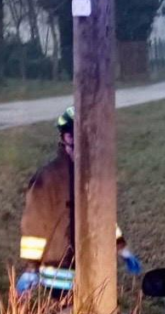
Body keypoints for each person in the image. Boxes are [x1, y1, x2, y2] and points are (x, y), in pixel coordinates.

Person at [16, 106, 142, 295]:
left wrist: (121, 248)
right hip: (58, 276)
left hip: (92, 272)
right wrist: (31, 267)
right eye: (73, 135)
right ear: (64, 137)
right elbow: (34, 225)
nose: (79, 141)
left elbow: (103, 216)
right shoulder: (48, 178)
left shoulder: (93, 175)